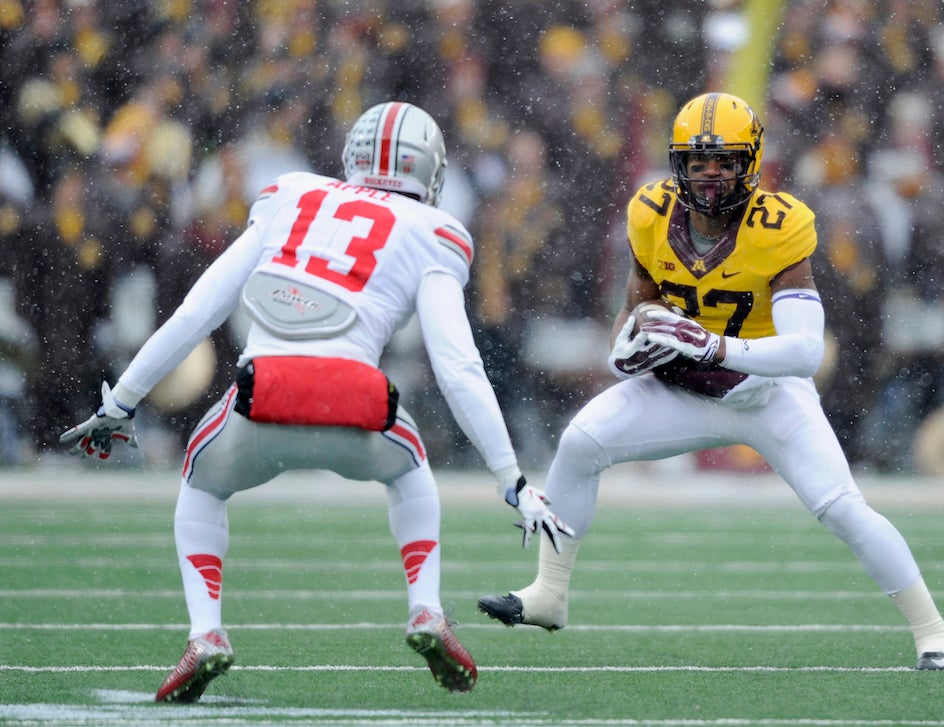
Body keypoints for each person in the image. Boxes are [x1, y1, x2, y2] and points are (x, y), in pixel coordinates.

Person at [59, 101, 574, 702]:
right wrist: (511, 477)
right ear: (429, 172)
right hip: (357, 404)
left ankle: (206, 633)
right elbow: (457, 365)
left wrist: (121, 402)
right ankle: (426, 610)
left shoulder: (292, 194)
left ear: (353, 155)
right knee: (412, 473)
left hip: (261, 397)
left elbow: (199, 309)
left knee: (200, 483)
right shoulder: (434, 232)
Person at [478, 92, 944, 671]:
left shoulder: (779, 225)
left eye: (726, 161)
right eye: (698, 161)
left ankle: (934, 632)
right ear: (677, 163)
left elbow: (806, 351)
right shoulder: (651, 212)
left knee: (841, 507)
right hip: (683, 388)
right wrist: (625, 351)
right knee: (582, 440)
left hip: (764, 394)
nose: (711, 175)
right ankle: (549, 594)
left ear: (751, 163)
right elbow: (635, 309)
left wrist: (715, 345)